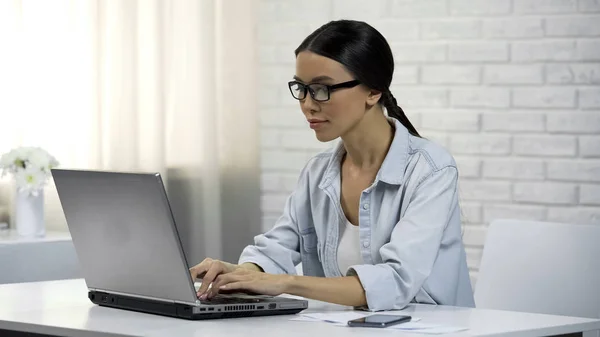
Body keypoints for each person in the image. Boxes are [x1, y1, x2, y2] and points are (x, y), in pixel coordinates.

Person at [190, 19, 475, 311]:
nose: (308, 104)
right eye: (301, 88)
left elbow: (396, 280)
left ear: (373, 91)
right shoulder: (318, 172)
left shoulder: (432, 170)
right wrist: (242, 273)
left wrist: (286, 282)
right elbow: (277, 247)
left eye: (322, 89)